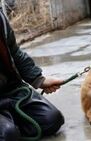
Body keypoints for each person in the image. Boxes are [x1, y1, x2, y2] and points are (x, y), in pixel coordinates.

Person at [0, 8, 64, 141]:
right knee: (7, 134)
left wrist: (39, 79)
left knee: (52, 120)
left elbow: (14, 51)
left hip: (10, 90)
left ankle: (9, 121)